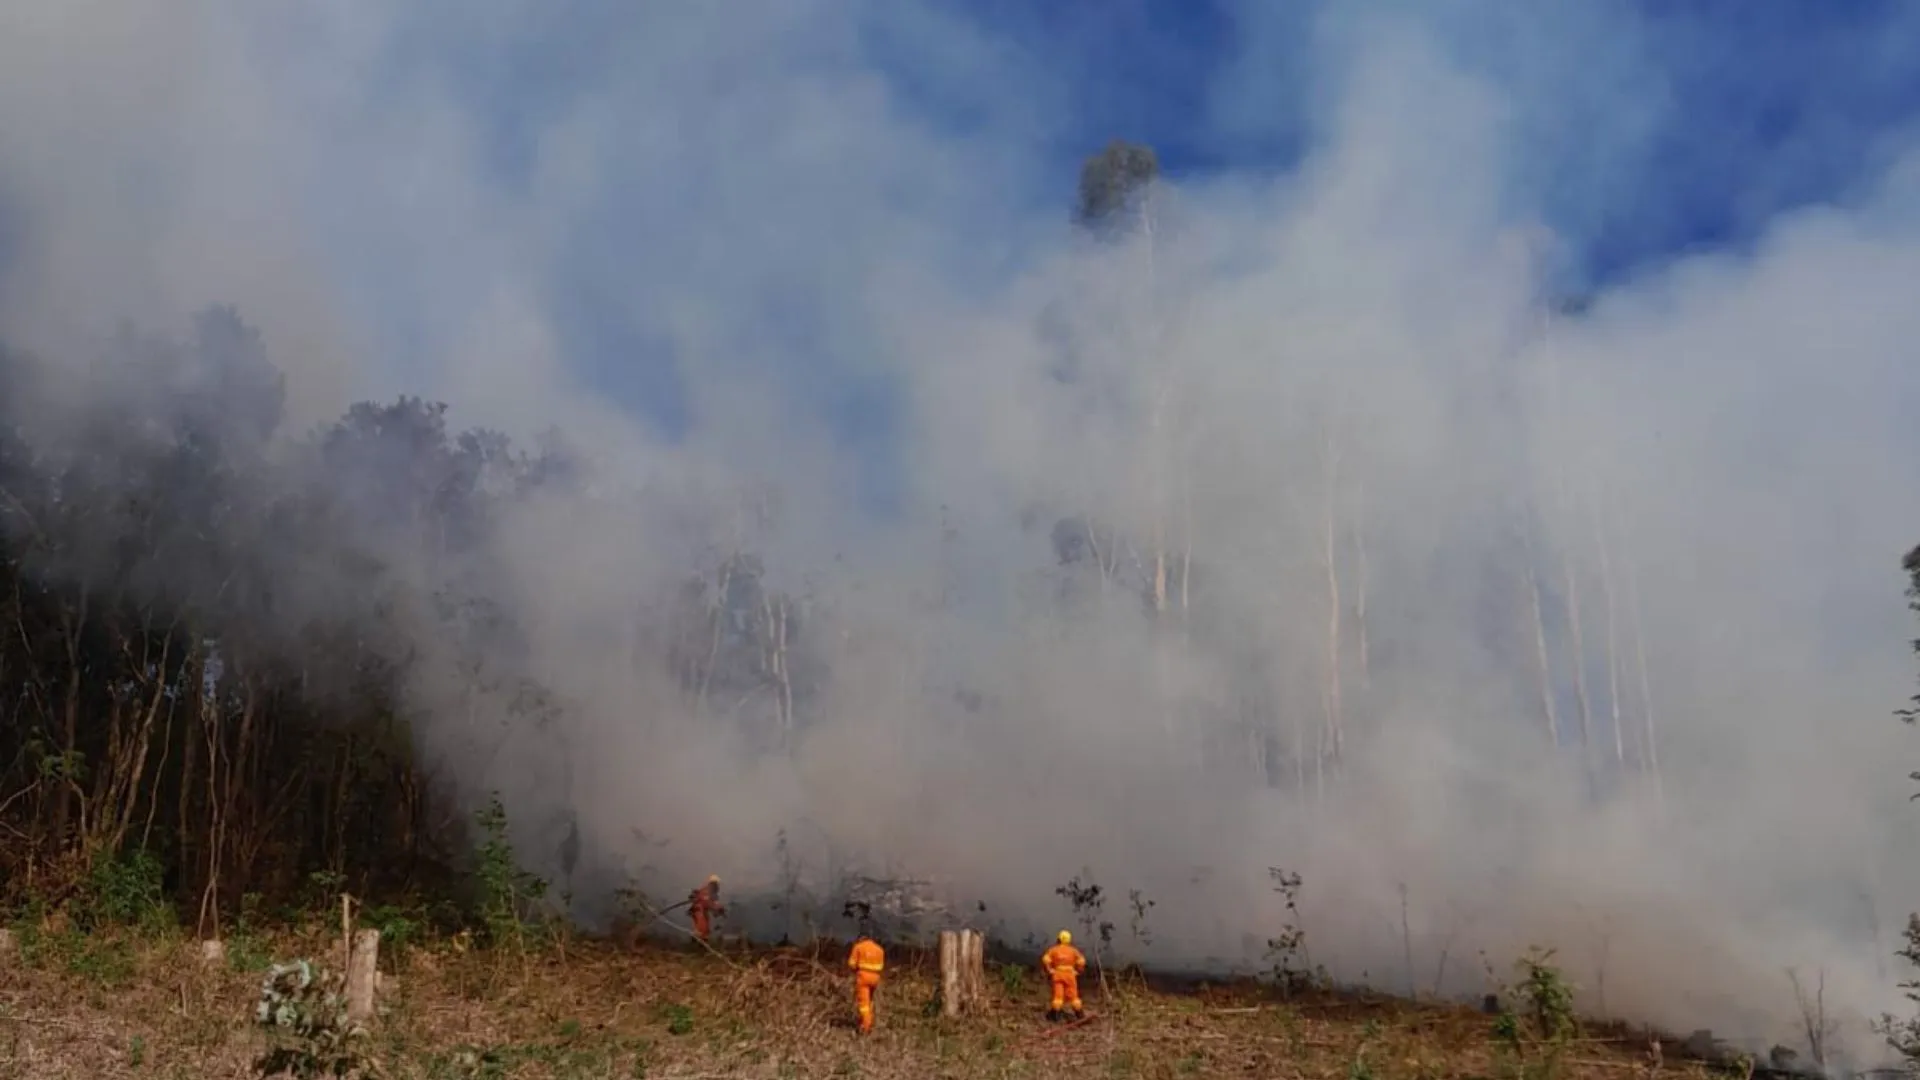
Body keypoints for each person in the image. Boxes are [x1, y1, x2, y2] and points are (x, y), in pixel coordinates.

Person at [1040, 929, 1086, 1020]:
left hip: (1058, 974)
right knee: (1073, 996)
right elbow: (1081, 961)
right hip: (1070, 975)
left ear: (1059, 939)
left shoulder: (1054, 950)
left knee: (1058, 996)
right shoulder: (1073, 951)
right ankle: (1080, 1015)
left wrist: (1050, 970)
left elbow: (1045, 960)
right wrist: (1078, 971)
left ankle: (1055, 1016)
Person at [846, 935, 886, 1034]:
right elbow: (881, 966)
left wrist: (855, 969)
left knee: (863, 1003)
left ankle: (866, 1026)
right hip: (876, 978)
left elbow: (851, 964)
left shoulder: (858, 947)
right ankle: (868, 1020)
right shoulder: (879, 949)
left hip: (863, 977)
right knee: (870, 1000)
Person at [687, 875, 724, 942]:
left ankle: (703, 939)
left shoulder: (710, 891)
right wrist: (718, 909)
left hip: (701, 910)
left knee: (705, 925)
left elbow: (712, 903)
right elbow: (709, 902)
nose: (717, 886)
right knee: (702, 925)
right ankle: (698, 938)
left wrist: (718, 909)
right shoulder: (707, 891)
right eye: (716, 883)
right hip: (699, 910)